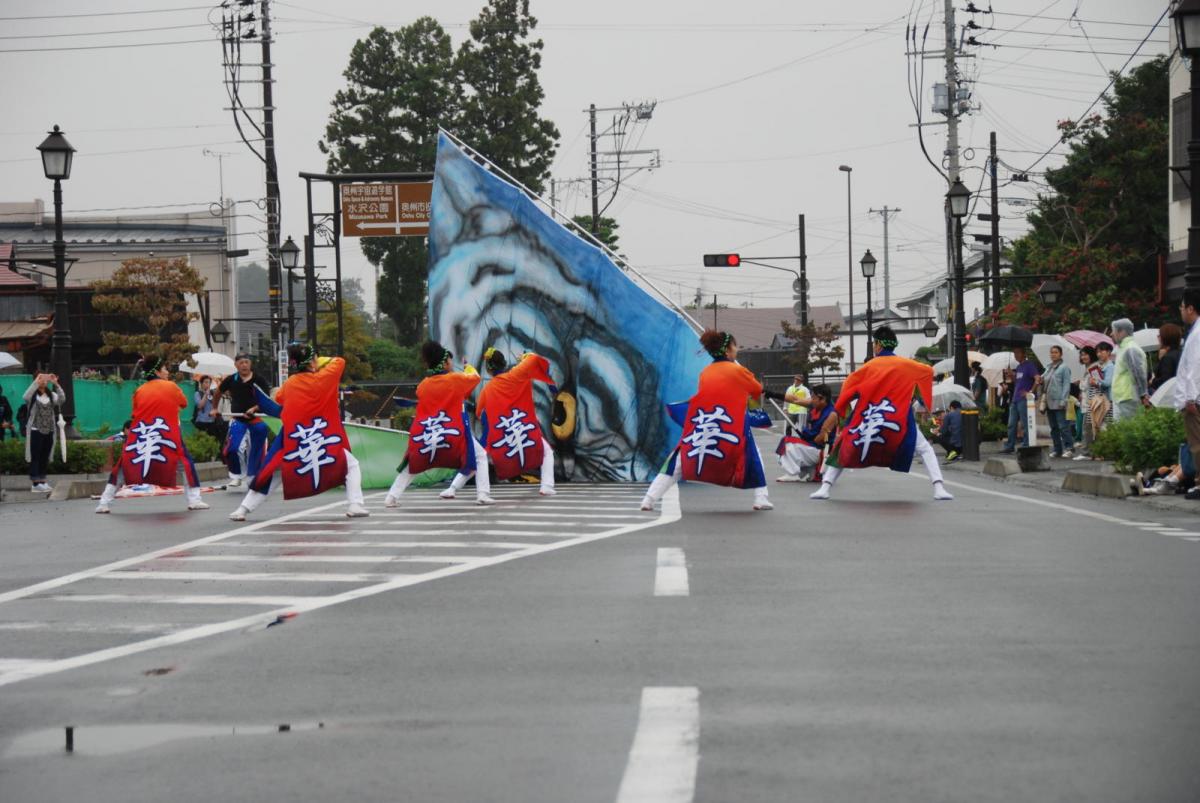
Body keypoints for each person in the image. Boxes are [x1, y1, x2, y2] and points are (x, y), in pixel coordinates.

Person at [809, 326, 953, 501]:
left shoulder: (868, 367)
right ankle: (939, 488)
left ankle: (825, 487)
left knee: (843, 447)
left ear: (878, 345)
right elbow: (928, 371)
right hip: (898, 420)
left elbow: (848, 387)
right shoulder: (908, 365)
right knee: (925, 449)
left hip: (868, 418)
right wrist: (919, 394)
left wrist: (842, 412)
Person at [229, 343, 368, 520]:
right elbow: (339, 361)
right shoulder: (326, 377)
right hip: (322, 437)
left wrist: (307, 364)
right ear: (312, 362)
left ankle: (243, 509)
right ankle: (355, 504)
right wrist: (317, 363)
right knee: (351, 464)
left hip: (294, 440)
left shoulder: (290, 384)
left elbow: (279, 398)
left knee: (273, 472)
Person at [639, 329, 773, 512]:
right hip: (729, 424)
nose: (737, 349)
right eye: (735, 346)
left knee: (678, 461)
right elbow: (756, 390)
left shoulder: (706, 371)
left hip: (704, 423)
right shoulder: (738, 370)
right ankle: (761, 498)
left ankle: (648, 500)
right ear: (728, 350)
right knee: (754, 455)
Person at [385, 341, 493, 506]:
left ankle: (391, 497)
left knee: (413, 463)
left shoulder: (423, 385)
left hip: (428, 434)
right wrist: (468, 367)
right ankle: (482, 494)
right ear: (445, 364)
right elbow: (475, 378)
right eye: (450, 361)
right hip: (453, 434)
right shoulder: (456, 379)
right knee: (479, 456)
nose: (451, 363)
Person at [96, 357, 208, 514]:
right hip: (166, 433)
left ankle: (104, 502)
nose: (167, 372)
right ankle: (194, 500)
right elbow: (184, 403)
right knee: (185, 464)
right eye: (165, 369)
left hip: (142, 433)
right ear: (157, 372)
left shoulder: (140, 390)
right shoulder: (171, 386)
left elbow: (135, 413)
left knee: (124, 465)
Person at [443, 347, 557, 497]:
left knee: (477, 458)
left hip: (499, 433)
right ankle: (546, 486)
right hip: (522, 428)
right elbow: (534, 359)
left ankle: (452, 488)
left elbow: (479, 413)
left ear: (488, 370)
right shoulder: (518, 374)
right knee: (546, 452)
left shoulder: (487, 390)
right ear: (504, 363)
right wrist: (525, 357)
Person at [218, 354, 271, 489]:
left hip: (257, 419)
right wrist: (213, 408)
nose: (244, 365)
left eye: (246, 362)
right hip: (238, 420)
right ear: (236, 365)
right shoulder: (231, 380)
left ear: (250, 364)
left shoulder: (259, 379)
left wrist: (254, 408)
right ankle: (237, 475)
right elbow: (218, 392)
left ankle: (253, 475)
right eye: (241, 363)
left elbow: (266, 399)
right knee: (233, 448)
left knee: (256, 449)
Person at [775, 384, 837, 481]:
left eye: (813, 397)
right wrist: (772, 394)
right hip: (813, 447)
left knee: (787, 443)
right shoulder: (816, 405)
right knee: (791, 442)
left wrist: (808, 435)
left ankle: (793, 473)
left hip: (821, 451)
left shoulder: (832, 414)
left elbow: (821, 438)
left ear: (822, 399)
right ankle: (810, 469)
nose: (811, 400)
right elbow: (795, 399)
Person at [1174, 289, 1200, 500]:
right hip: (1194, 397)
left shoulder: (1197, 333)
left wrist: (1190, 397)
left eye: (1182, 307)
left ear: (1191, 308)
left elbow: (1194, 367)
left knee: (1197, 443)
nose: (1181, 311)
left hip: (1194, 399)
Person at [22, 373, 65, 493]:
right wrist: (36, 382)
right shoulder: (33, 395)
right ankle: (35, 483)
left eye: (46, 379)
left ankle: (42, 480)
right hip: (35, 429)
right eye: (41, 379)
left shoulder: (52, 395)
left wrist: (56, 384)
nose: (44, 381)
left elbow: (62, 400)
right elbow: (25, 397)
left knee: (44, 456)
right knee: (35, 456)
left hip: (49, 430)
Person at [1000, 345, 1039, 453]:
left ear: (1024, 354)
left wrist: (1030, 392)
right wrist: (1012, 375)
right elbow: (1017, 382)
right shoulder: (1018, 367)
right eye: (1014, 353)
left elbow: (1037, 378)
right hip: (1015, 399)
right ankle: (1010, 446)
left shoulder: (1029, 365)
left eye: (1018, 352)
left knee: (1025, 423)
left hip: (1024, 399)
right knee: (1011, 424)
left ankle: (1026, 444)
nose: (1016, 355)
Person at [1110, 318, 1149, 421]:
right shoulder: (1123, 348)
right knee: (1121, 428)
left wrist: (1143, 394)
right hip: (1122, 397)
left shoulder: (1130, 349)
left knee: (1128, 428)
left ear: (1122, 332)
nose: (1111, 334)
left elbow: (1138, 373)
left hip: (1128, 398)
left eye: (1113, 331)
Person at [1040, 344, 1075, 459]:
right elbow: (1043, 380)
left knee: (1063, 427)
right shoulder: (1048, 367)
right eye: (1052, 352)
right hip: (1049, 401)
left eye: (1056, 352)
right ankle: (1057, 450)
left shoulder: (1064, 368)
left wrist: (1063, 400)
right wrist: (1040, 380)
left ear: (1061, 354)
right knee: (1054, 427)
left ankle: (1069, 448)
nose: (1053, 354)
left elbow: (1066, 385)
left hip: (1059, 401)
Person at [1074, 346, 1108, 460]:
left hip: (1093, 402)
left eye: (1086, 354)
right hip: (1087, 402)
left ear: (1091, 355)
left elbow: (1098, 384)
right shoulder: (1087, 368)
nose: (1083, 357)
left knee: (1088, 428)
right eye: (1082, 354)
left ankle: (1086, 453)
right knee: (1090, 428)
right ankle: (1094, 452)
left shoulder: (1094, 368)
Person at [1150, 323, 1182, 394]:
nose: (1158, 337)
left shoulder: (1168, 358)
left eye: (1159, 335)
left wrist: (1152, 381)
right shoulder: (1181, 353)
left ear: (1165, 337)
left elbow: (1165, 380)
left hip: (1171, 395)